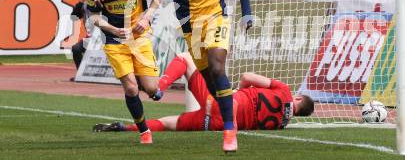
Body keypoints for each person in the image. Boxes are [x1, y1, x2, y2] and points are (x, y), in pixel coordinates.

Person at [95, 0, 253, 152]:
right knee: (210, 81)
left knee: (217, 66)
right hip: (189, 25)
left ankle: (230, 130)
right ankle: (226, 113)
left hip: (215, 17)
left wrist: (248, 12)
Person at [93, 52, 314, 133]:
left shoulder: (284, 90)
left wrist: (239, 91)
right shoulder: (280, 125)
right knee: (169, 124)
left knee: (184, 59)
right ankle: (125, 128)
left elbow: (247, 76)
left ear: (297, 98)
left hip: (222, 106)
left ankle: (159, 89)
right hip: (217, 125)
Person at [86, 0, 165, 144]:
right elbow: (92, 15)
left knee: (150, 89)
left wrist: (147, 16)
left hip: (140, 39)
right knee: (130, 88)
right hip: (115, 42)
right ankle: (144, 131)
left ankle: (151, 86)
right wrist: (111, 28)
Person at [70, 0, 90, 81]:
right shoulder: (84, 5)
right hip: (91, 38)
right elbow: (74, 17)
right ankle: (81, 74)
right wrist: (81, 2)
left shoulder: (103, 0)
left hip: (106, 36)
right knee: (76, 48)